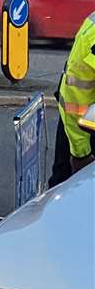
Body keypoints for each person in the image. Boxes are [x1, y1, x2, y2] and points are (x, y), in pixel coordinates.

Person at [51, 10, 95, 187]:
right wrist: (81, 154)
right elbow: (75, 101)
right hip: (84, 130)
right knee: (67, 190)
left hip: (84, 120)